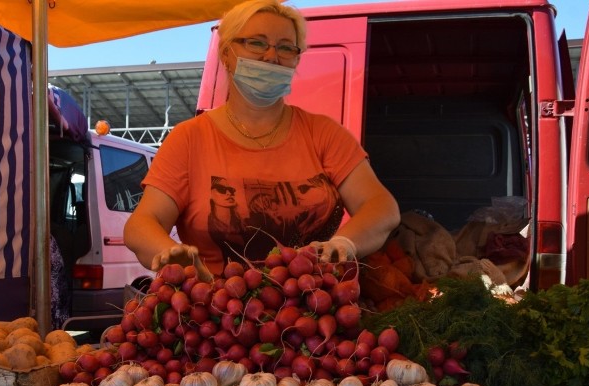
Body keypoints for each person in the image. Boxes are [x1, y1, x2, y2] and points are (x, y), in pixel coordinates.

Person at [123, 0, 400, 281]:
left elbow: (381, 207)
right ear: (227, 52)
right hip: (212, 312)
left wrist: (346, 242)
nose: (271, 57)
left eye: (285, 48)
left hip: (313, 307)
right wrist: (172, 255)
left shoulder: (324, 133)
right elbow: (142, 224)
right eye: (256, 43)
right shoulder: (189, 139)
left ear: (296, 58)